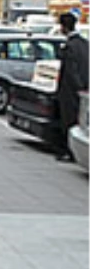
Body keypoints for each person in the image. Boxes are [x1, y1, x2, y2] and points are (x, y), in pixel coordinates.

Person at [55, 10, 90, 160]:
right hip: (85, 88)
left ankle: (69, 152)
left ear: (64, 27)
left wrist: (77, 87)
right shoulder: (85, 44)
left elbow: (71, 71)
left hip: (70, 90)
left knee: (68, 120)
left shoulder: (69, 46)